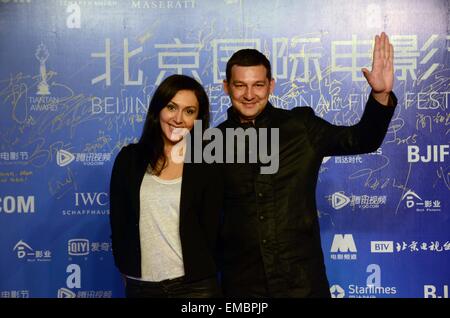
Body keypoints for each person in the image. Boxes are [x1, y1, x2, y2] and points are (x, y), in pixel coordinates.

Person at [217, 32, 396, 297]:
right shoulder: (212, 142)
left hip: (302, 283)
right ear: (226, 87)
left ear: (271, 85)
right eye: (240, 85)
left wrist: (381, 94)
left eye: (258, 85)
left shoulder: (301, 127)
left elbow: (362, 140)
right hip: (242, 286)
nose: (249, 94)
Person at [109, 74, 222, 298]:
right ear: (158, 110)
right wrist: (127, 269)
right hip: (142, 288)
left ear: (198, 119)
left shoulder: (208, 162)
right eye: (171, 107)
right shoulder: (129, 159)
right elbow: (119, 222)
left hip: (195, 288)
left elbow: (215, 226)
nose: (178, 119)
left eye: (189, 111)